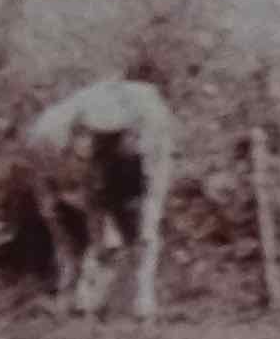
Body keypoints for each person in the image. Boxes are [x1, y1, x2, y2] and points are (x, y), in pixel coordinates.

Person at [16, 76, 176, 322]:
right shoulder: (62, 137)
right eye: (101, 136)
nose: (107, 141)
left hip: (135, 177)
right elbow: (87, 197)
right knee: (93, 244)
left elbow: (155, 187)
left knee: (145, 236)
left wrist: (145, 217)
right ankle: (82, 300)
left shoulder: (154, 129)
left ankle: (142, 301)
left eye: (115, 136)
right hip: (86, 185)